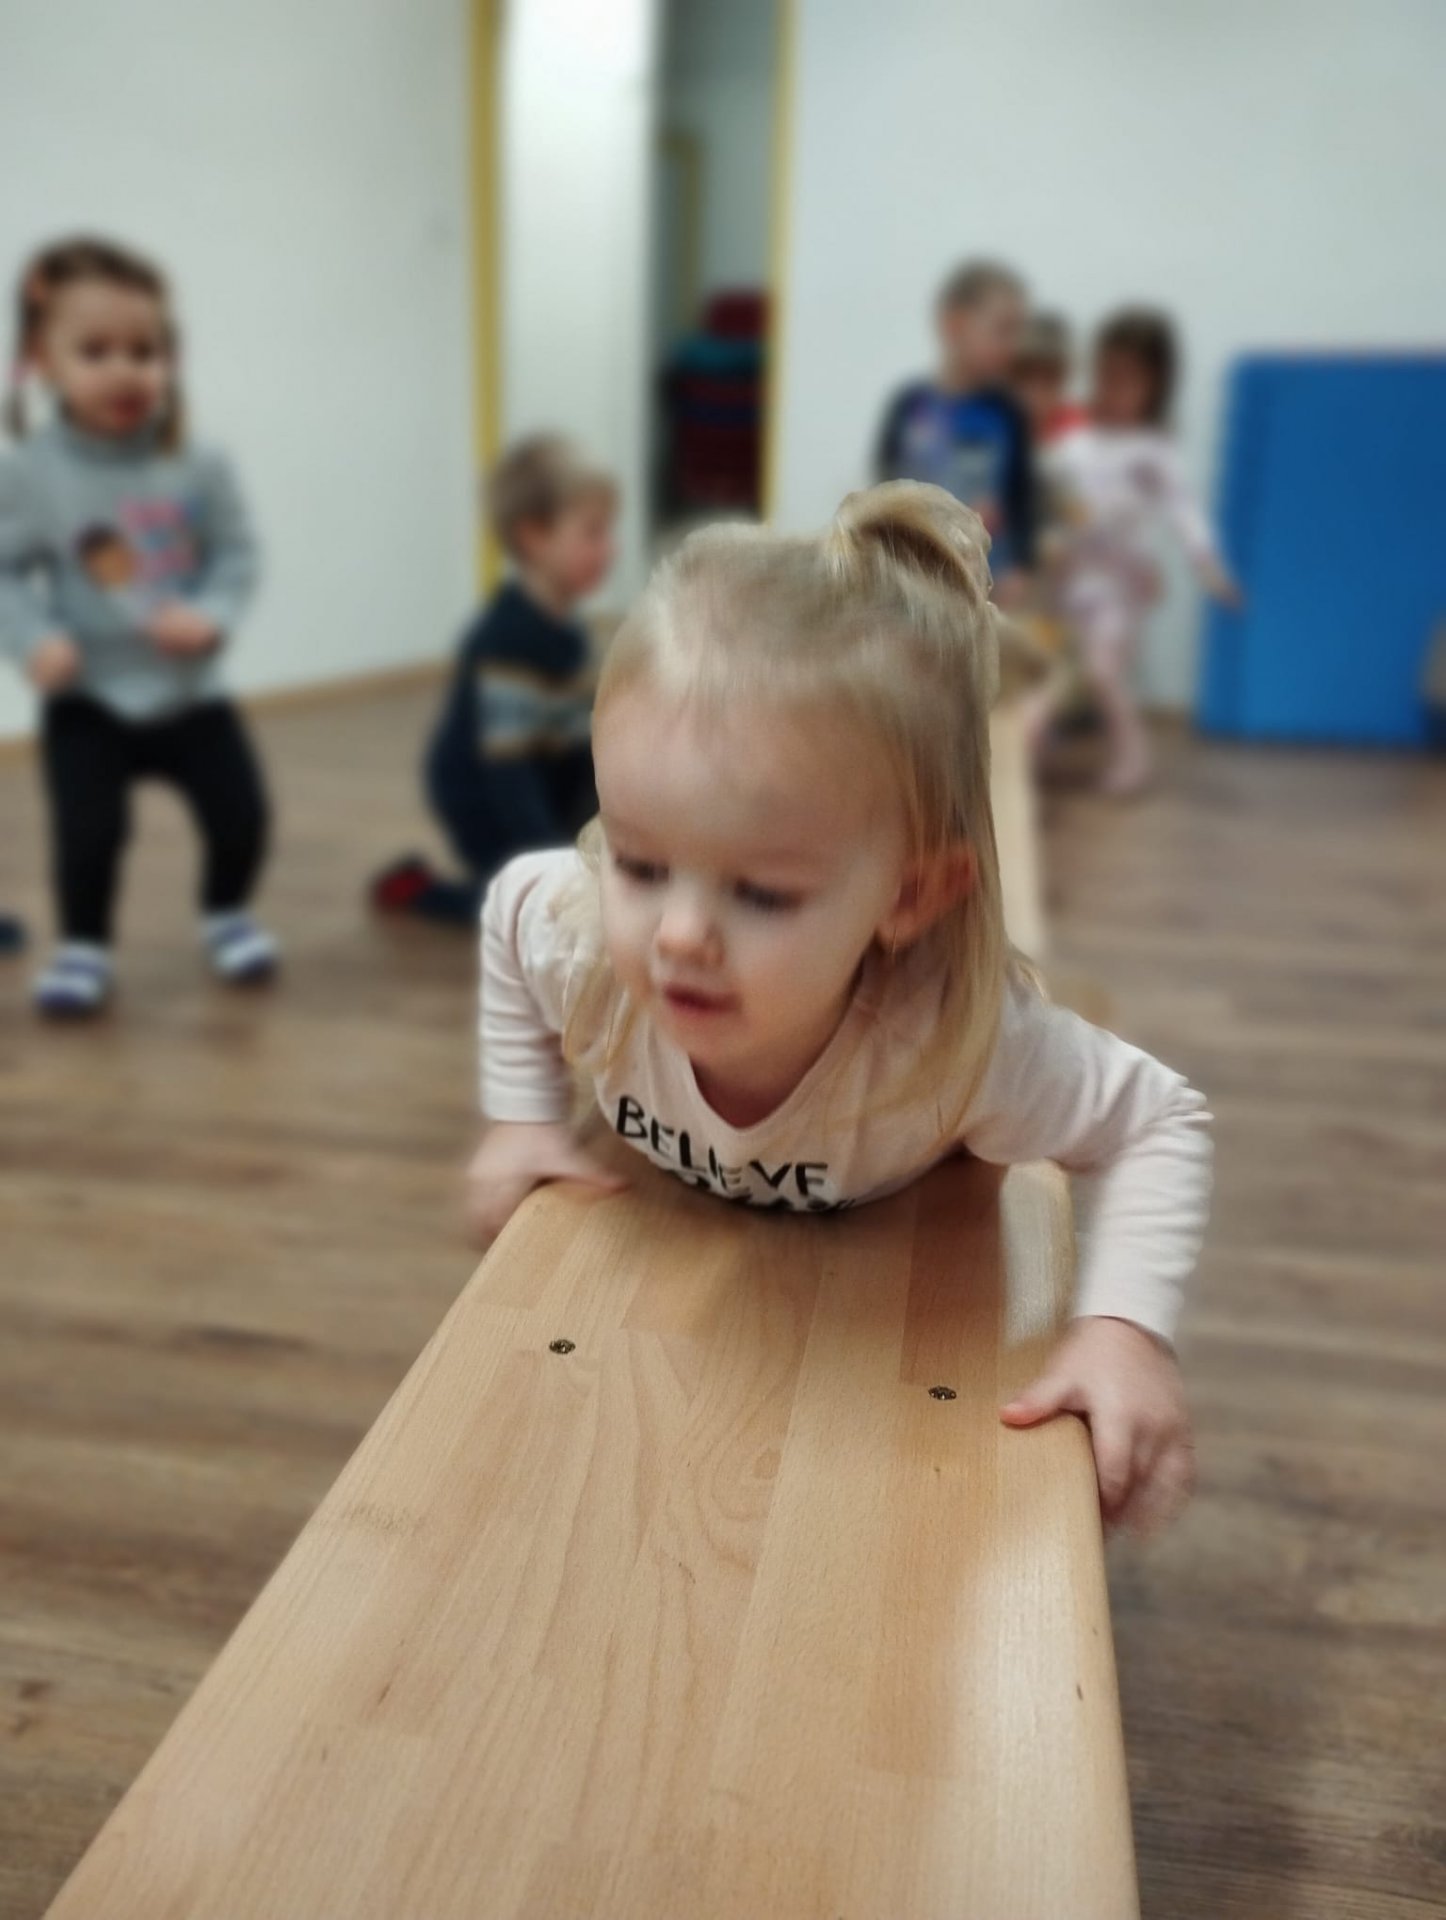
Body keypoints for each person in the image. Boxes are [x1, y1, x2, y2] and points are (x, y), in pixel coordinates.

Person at [466, 481, 1212, 1536]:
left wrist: (1125, 1331)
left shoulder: (956, 1047)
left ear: (909, 896)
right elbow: (509, 907)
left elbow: (1161, 1120)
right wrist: (520, 1115)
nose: (679, 935)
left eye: (762, 893)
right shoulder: (582, 937)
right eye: (641, 863)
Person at [0, 236, 273, 1017]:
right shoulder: (30, 472)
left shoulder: (199, 461)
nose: (125, 370)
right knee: (88, 834)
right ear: (43, 360)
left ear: (168, 358)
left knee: (242, 818)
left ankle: (226, 912)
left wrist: (210, 614)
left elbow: (237, 553)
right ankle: (84, 945)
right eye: (95, 351)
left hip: (191, 690)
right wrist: (34, 639)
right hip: (88, 694)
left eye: (143, 351)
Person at [372, 435, 616, 925]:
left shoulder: (568, 632)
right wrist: (553, 867)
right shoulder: (507, 640)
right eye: (592, 532)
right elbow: (510, 775)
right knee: (522, 910)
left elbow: (579, 746)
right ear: (534, 537)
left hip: (545, 783)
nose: (608, 549)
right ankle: (418, 890)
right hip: (483, 799)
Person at [1048, 308, 1240, 795]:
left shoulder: (1153, 452)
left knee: (1102, 670)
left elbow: (1184, 510)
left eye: (1128, 379)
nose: (1112, 388)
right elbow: (1051, 491)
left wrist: (1208, 565)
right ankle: (1032, 747)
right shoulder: (1076, 443)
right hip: (1073, 579)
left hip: (1119, 586)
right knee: (1061, 670)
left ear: (1155, 386)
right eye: (1106, 374)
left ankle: (1133, 758)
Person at [874, 259, 1038, 605]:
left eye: (1017, 332)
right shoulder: (909, 406)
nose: (1012, 346)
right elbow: (883, 491)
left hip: (985, 590)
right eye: (1003, 330)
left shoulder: (1007, 413)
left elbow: (1022, 499)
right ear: (955, 324)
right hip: (914, 584)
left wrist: (1021, 566)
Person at [1010, 311, 1087, 448]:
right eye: (1026, 376)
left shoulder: (1080, 430)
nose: (1036, 392)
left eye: (1049, 379)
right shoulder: (992, 421)